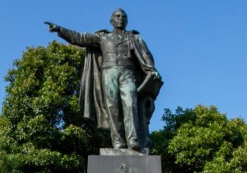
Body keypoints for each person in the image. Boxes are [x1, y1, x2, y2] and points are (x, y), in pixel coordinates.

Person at [46, 8, 162, 152]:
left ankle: (133, 140)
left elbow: (146, 55)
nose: (120, 18)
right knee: (113, 108)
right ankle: (118, 143)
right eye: (117, 16)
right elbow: (80, 38)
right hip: (109, 73)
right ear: (111, 21)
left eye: (123, 16)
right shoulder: (103, 37)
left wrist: (151, 70)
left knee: (130, 104)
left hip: (128, 73)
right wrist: (60, 30)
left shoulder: (134, 37)